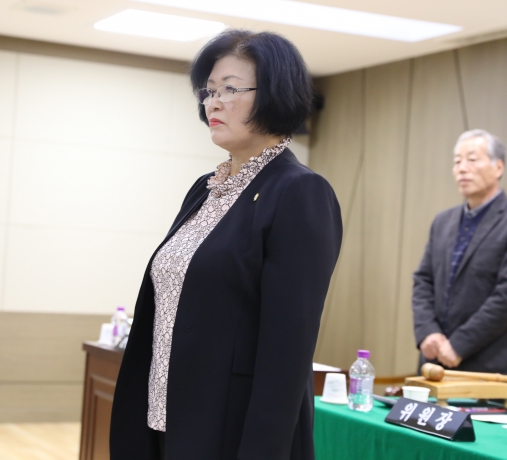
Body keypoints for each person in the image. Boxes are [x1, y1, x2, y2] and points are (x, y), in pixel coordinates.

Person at [109, 29, 343, 460]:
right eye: (209, 90)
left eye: (230, 89)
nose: (213, 103)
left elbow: (287, 350)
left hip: (230, 430)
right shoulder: (206, 188)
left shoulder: (299, 192)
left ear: (274, 95)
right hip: (164, 415)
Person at [412, 129, 507, 376]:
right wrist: (427, 331)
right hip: (435, 361)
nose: (462, 168)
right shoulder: (442, 221)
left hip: (491, 365)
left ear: (498, 167)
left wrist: (459, 344)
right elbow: (423, 280)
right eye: (457, 161)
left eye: (472, 160)